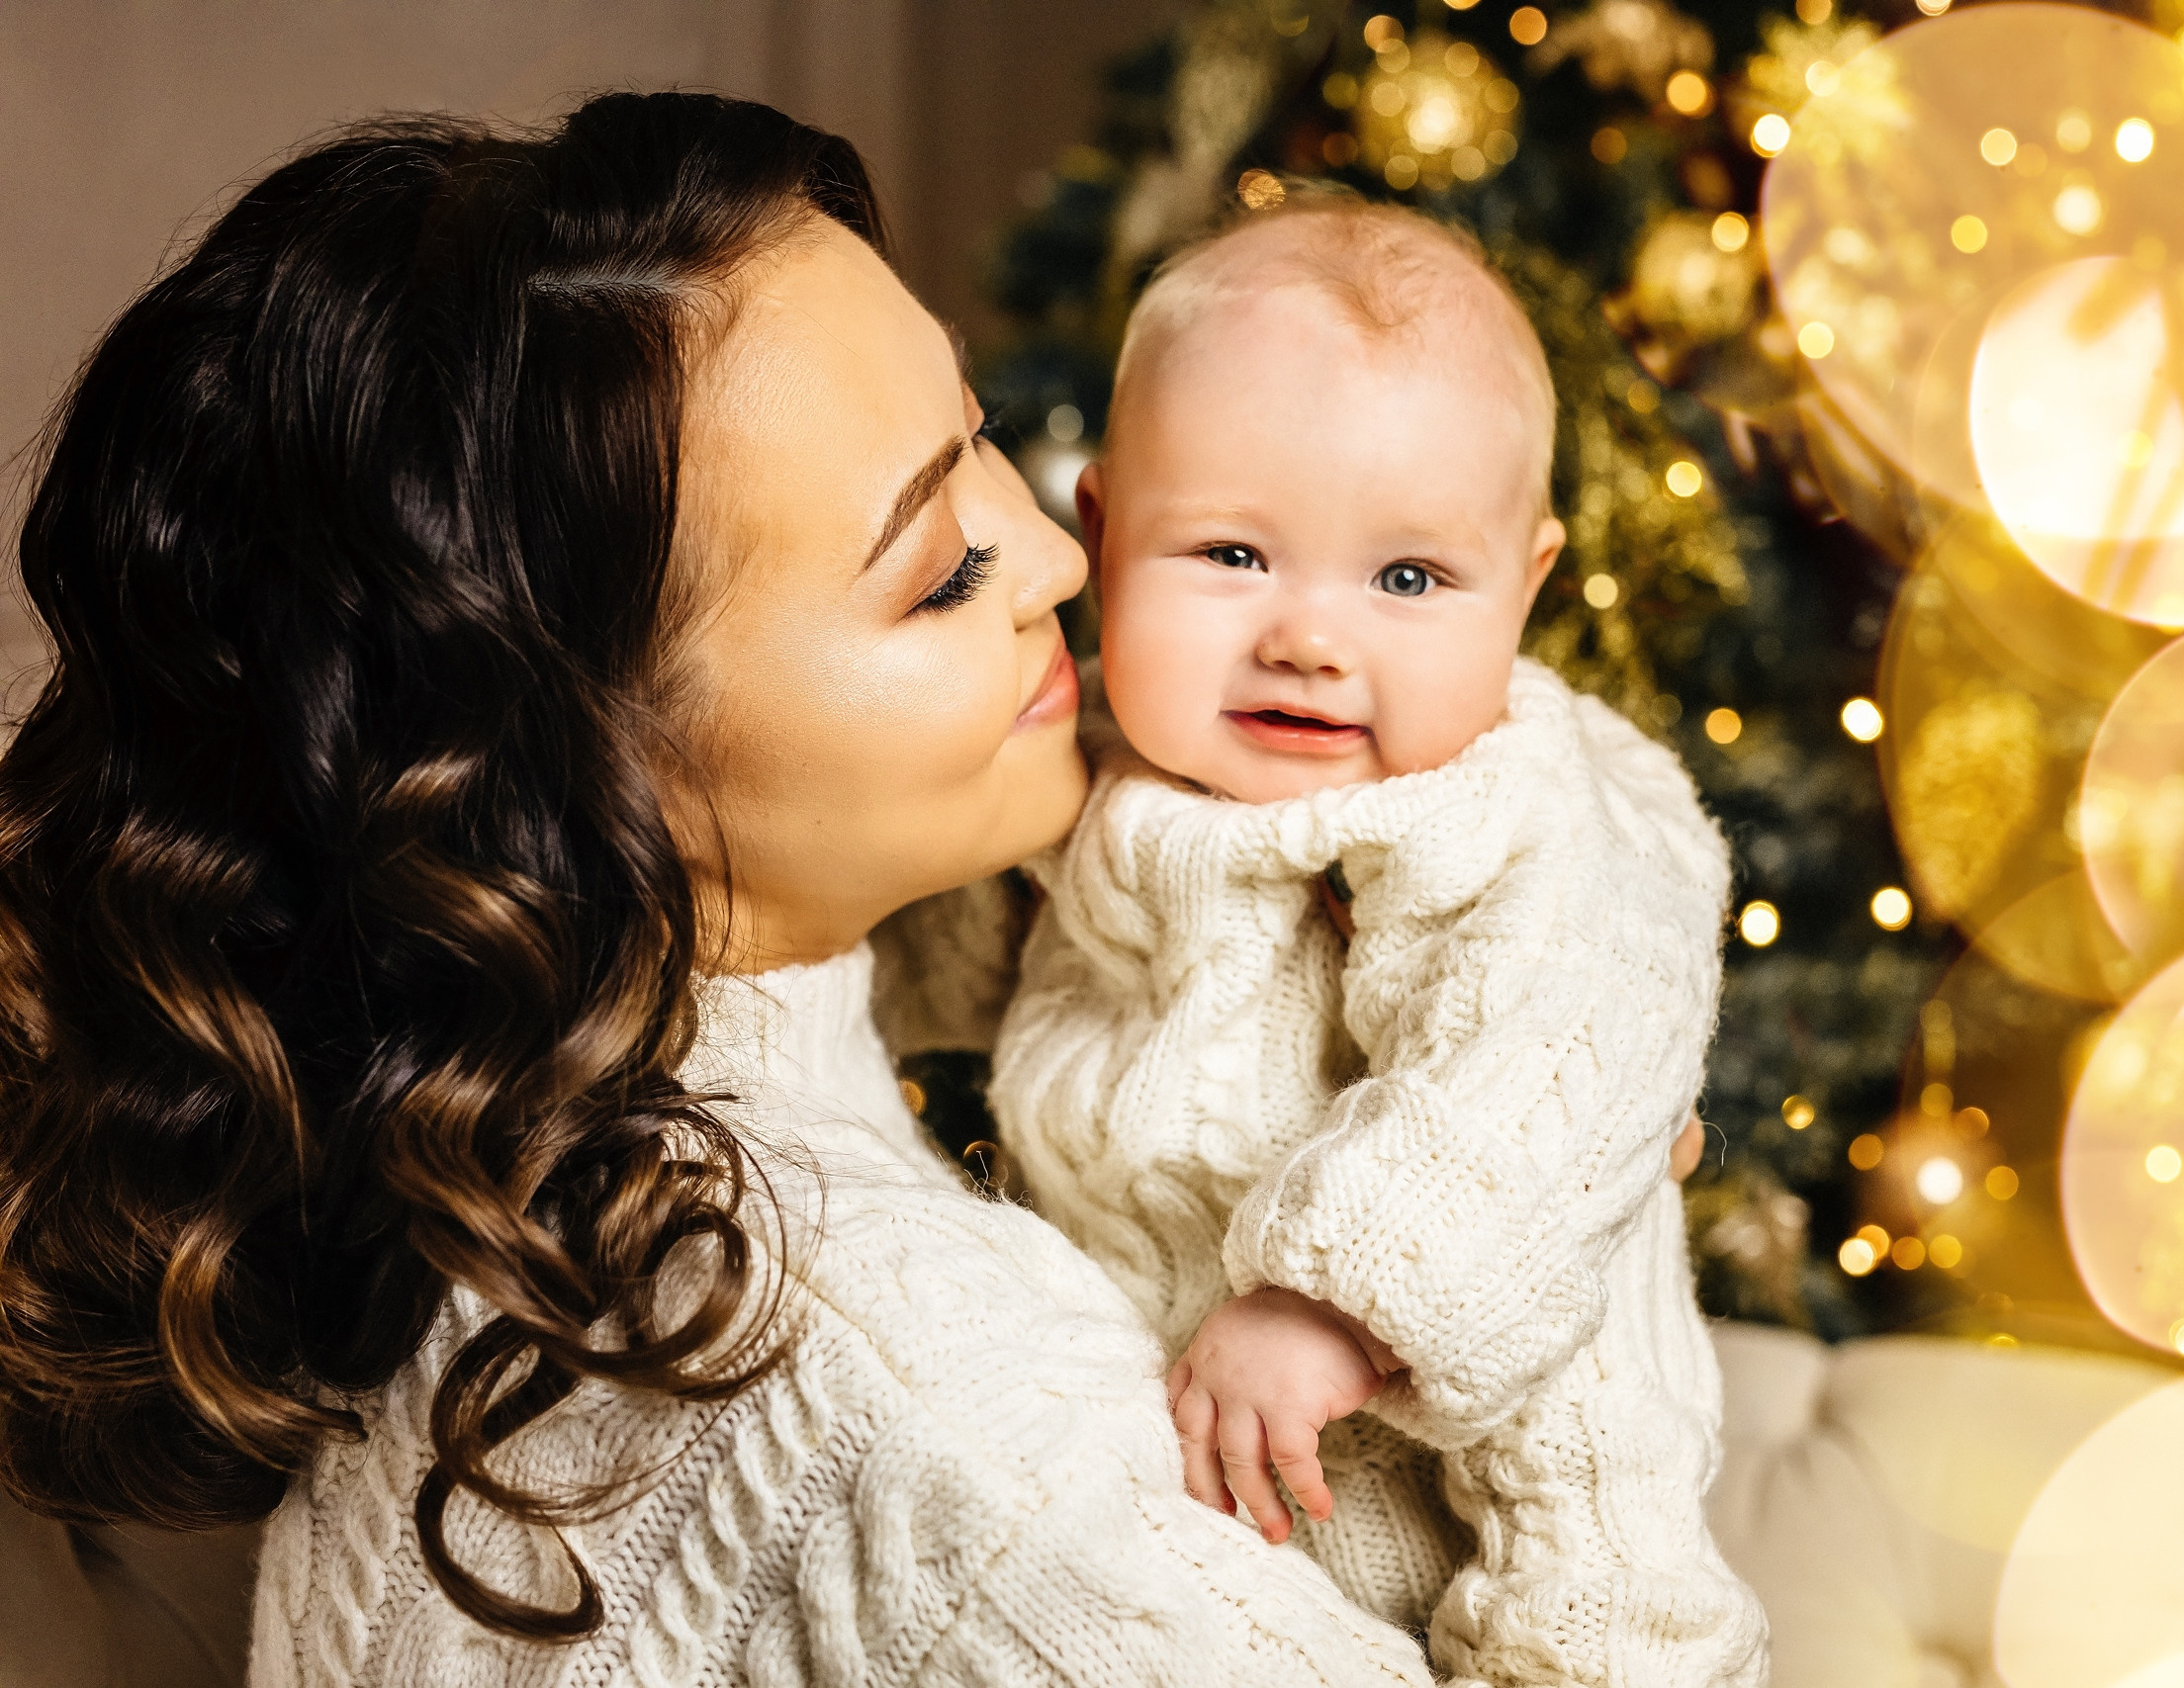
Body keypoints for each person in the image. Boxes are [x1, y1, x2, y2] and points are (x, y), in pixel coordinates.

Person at [0, 94, 1434, 1687]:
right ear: (594, 774)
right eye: (937, 573)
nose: (1050, 561)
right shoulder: (903, 1377)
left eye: (980, 444)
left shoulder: (492, 1177)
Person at [981, 197, 1769, 1686]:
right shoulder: (1087, 775)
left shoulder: (1512, 808)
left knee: (1596, 1585)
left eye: (1408, 580)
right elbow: (935, 940)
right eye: (1229, 553)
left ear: (1526, 589)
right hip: (1183, 1485)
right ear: (1101, 531)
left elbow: (1563, 1042)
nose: (1311, 639)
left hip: (1496, 1437)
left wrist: (1333, 1298)